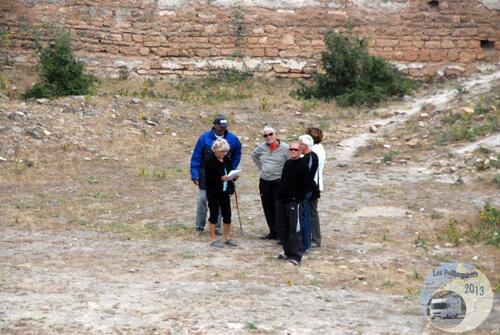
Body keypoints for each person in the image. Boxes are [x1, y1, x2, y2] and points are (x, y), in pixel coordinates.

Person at [190, 115, 242, 234]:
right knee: (203, 199)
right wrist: (195, 175)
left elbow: (237, 153)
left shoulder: (233, 139)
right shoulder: (204, 138)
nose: (222, 129)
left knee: (219, 200)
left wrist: (232, 170)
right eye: (220, 126)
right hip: (206, 174)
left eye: (224, 127)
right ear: (214, 125)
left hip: (223, 174)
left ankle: (217, 228)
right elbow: (196, 157)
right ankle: (199, 227)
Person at [251, 126, 289, 240]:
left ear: (276, 134)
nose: (268, 137)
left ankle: (281, 232)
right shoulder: (261, 148)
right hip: (264, 181)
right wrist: (261, 167)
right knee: (267, 206)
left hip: (278, 181)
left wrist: (284, 176)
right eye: (265, 135)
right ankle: (273, 231)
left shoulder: (285, 148)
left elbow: (289, 162)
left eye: (270, 134)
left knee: (278, 206)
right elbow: (254, 155)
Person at [276, 142, 309, 266]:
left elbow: (306, 184)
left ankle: (296, 256)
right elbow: (283, 180)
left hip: (294, 202)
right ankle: (287, 251)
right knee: (282, 227)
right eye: (291, 149)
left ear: (300, 151)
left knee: (295, 229)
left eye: (296, 149)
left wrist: (297, 199)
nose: (293, 151)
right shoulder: (288, 163)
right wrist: (279, 196)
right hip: (282, 200)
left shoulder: (303, 165)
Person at [204, 138, 238, 248]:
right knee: (214, 214)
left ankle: (227, 237)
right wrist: (220, 178)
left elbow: (229, 171)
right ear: (216, 150)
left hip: (225, 191)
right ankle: (213, 238)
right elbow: (208, 178)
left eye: (226, 151)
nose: (225, 153)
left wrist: (233, 176)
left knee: (227, 214)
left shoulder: (226, 159)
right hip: (213, 192)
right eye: (222, 151)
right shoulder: (209, 160)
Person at [298, 134, 318, 252]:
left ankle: (305, 244)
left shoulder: (309, 158)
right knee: (305, 216)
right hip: (306, 189)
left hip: (305, 191)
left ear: (304, 145)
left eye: (300, 144)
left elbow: (305, 177)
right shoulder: (309, 156)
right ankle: (306, 242)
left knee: (304, 217)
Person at [306, 127, 326, 248]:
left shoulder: (314, 152)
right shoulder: (320, 149)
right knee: (310, 212)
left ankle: (315, 238)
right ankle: (312, 236)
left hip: (313, 185)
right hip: (315, 184)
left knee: (312, 212)